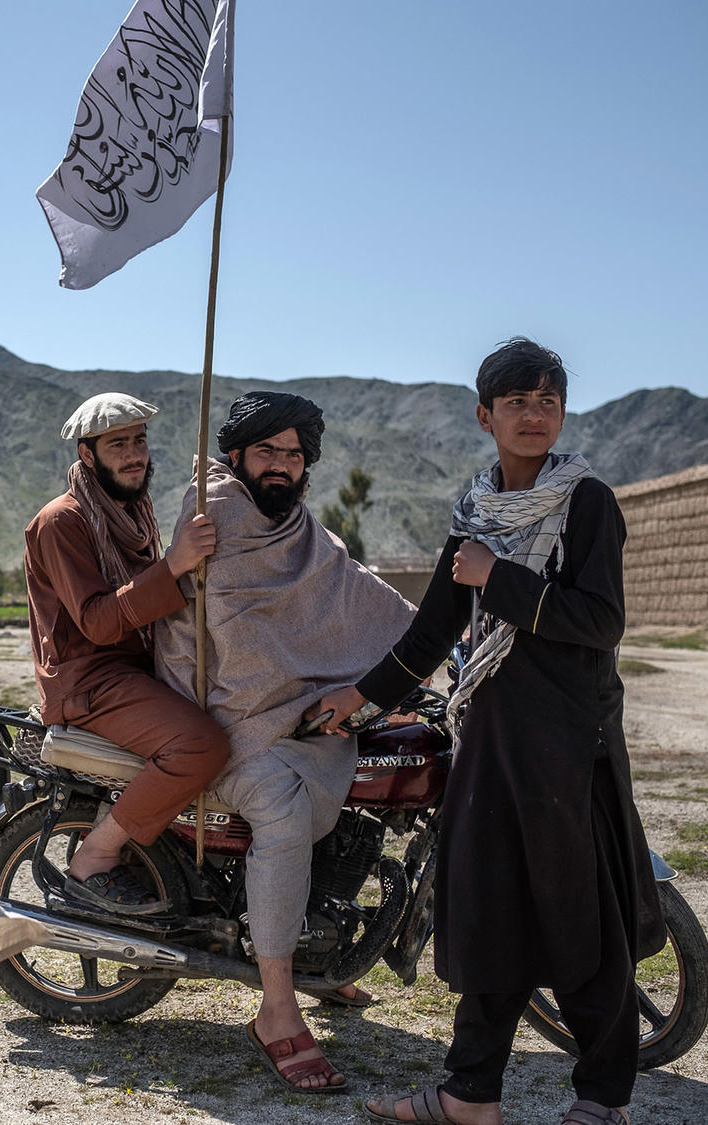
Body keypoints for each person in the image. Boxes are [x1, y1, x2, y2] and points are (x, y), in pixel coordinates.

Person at [308, 339, 666, 1125]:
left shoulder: (587, 502)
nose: (533, 415)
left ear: (562, 412)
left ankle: (604, 1100)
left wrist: (497, 578)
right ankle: (471, 1093)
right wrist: (359, 697)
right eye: (516, 402)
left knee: (581, 922)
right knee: (491, 913)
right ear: (485, 415)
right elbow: (432, 633)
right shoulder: (473, 517)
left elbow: (601, 621)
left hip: (569, 747)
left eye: (547, 401)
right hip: (492, 742)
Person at [154, 390, 417, 1093]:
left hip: (294, 714)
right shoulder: (216, 513)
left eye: (293, 453)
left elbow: (351, 591)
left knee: (367, 776)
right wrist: (307, 696)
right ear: (236, 454)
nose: (280, 464)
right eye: (266, 450)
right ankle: (276, 1007)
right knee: (280, 807)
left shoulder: (299, 526)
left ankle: (320, 959)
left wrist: (418, 652)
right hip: (225, 717)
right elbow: (240, 641)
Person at [23, 394, 228, 912]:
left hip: (134, 665)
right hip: (89, 680)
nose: (135, 454)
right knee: (202, 745)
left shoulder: (134, 512)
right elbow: (95, 620)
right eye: (118, 444)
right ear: (87, 454)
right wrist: (175, 563)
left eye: (139, 440)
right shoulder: (62, 522)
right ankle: (96, 856)